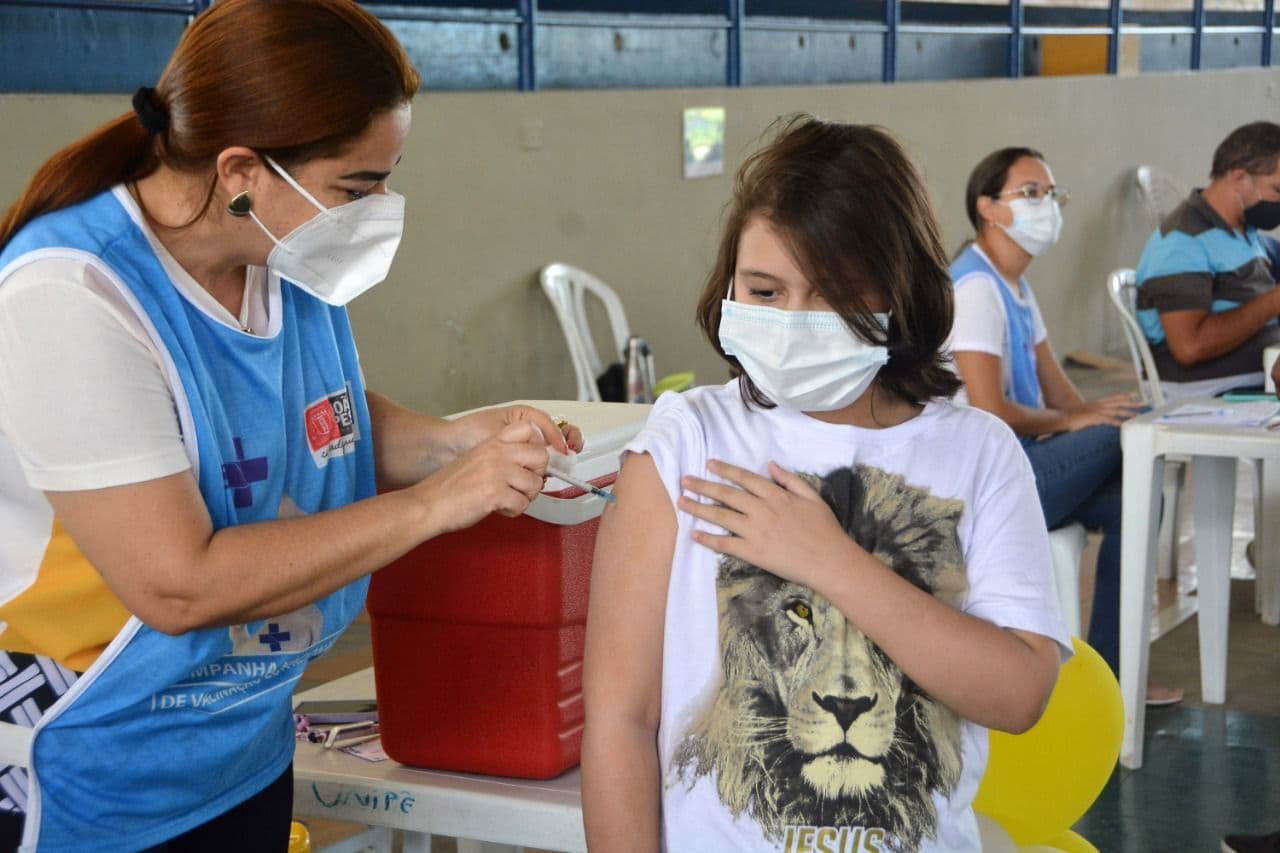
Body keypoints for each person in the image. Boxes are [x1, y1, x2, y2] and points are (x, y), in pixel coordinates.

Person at [0, 1, 581, 849]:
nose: (378, 208)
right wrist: (435, 502)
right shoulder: (70, 295)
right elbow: (178, 584)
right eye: (357, 186)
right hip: (97, 777)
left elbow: (321, 416)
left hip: (243, 743)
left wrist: (453, 443)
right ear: (241, 170)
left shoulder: (280, 254)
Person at [580, 116, 1071, 852]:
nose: (795, 320)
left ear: (900, 290)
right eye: (765, 290)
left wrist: (831, 561)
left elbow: (1020, 694)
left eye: (835, 293)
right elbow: (621, 719)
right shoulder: (685, 441)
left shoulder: (979, 451)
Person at [946, 147, 1182, 706]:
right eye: (1030, 193)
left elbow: (1061, 392)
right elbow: (988, 410)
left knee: (1135, 498)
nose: (1046, 205)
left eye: (1052, 194)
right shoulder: (976, 289)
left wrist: (1093, 415)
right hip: (984, 484)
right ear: (988, 208)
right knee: (1120, 434)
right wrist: (1082, 422)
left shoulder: (1017, 288)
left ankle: (1111, 675)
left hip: (1026, 464)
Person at [1136, 121, 1280, 399]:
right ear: (1239, 178)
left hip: (1257, 376)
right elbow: (1190, 347)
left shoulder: (1243, 230)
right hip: (1208, 392)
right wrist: (1273, 302)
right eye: (1277, 190)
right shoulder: (1182, 241)